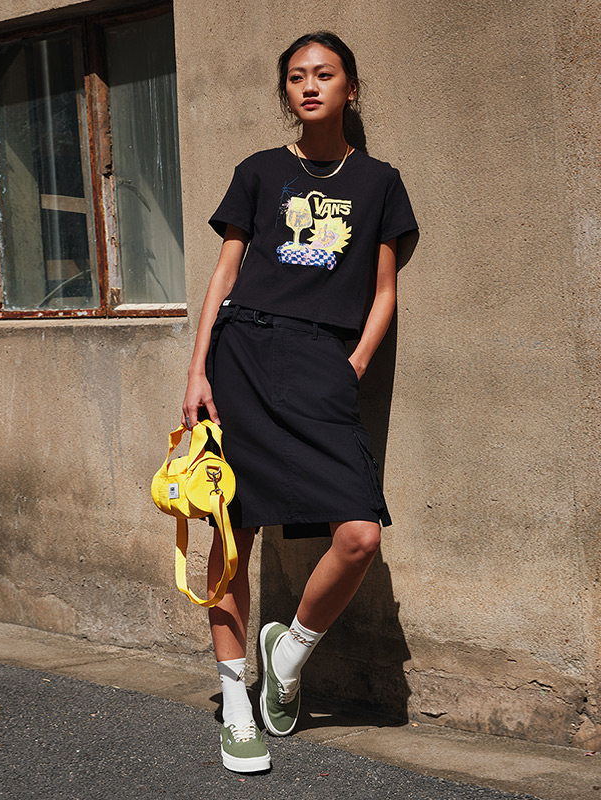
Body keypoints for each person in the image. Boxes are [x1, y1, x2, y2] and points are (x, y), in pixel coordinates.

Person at [181, 31, 418, 773]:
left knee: (359, 535)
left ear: (351, 87)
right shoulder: (258, 171)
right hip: (243, 357)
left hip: (322, 364)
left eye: (324, 74)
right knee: (232, 535)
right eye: (296, 77)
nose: (309, 86)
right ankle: (237, 703)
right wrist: (197, 371)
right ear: (286, 92)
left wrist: (352, 365)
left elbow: (384, 290)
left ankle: (286, 655)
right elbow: (224, 275)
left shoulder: (379, 182)